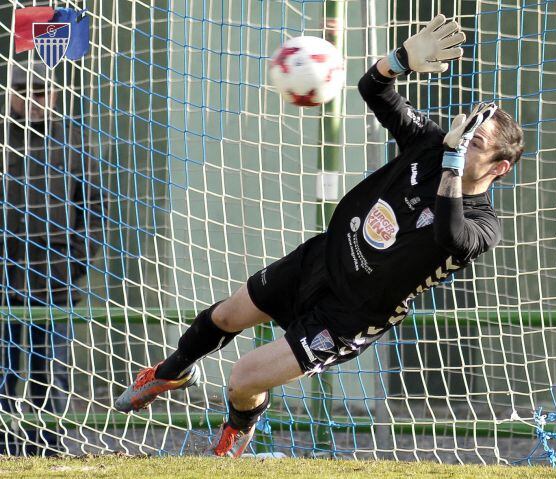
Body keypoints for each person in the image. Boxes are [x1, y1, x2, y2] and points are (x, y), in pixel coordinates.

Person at [115, 14, 524, 458]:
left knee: (242, 380)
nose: (461, 143)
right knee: (227, 316)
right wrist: (401, 59)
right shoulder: (430, 145)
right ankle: (172, 371)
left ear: (499, 168)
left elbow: (448, 233)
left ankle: (237, 432)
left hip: (351, 314)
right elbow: (375, 89)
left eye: (475, 144)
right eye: (464, 134)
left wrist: (451, 162)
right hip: (323, 258)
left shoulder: (484, 225)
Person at [0, 61, 103, 455]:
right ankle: (4, 444)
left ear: (55, 95)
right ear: (10, 95)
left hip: (55, 281)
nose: (34, 100)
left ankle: (47, 445)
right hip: (4, 278)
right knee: (4, 370)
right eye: (24, 92)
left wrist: (72, 265)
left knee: (51, 370)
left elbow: (94, 212)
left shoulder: (75, 144)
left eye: (41, 92)